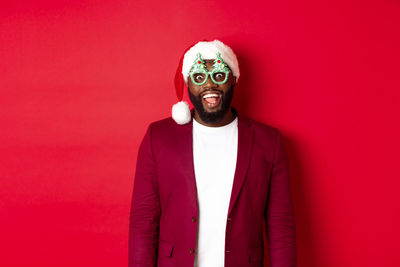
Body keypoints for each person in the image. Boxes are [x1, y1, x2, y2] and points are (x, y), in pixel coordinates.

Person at [129, 40, 297, 267]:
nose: (210, 85)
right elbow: (143, 222)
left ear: (234, 79)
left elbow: (280, 226)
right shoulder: (157, 138)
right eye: (199, 77)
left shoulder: (269, 142)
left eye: (219, 75)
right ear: (188, 83)